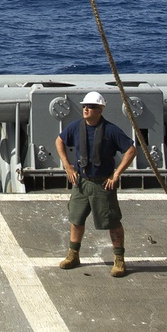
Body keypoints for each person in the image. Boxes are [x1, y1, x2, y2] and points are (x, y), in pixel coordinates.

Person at [54, 90, 136, 276]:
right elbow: (59, 141)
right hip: (82, 183)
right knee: (76, 219)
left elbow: (131, 150)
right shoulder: (76, 127)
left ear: (100, 110)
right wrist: (67, 166)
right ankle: (73, 254)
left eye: (90, 107)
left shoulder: (111, 130)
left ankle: (119, 260)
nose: (86, 109)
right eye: (84, 106)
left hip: (102, 185)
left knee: (113, 221)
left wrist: (116, 174)